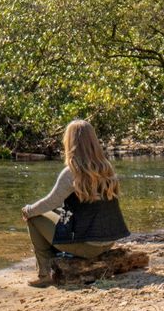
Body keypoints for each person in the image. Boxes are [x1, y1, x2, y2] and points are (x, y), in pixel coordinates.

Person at [20, 119, 130, 287]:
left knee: (34, 218)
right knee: (58, 213)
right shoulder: (106, 167)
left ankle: (45, 274)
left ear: (70, 142)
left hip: (88, 245)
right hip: (108, 241)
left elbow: (51, 202)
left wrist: (28, 210)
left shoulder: (72, 172)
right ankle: (59, 258)